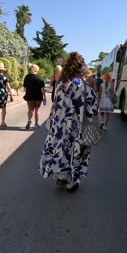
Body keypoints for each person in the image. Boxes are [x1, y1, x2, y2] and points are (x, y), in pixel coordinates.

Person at [39, 52, 98, 193]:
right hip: (75, 128)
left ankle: (61, 176)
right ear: (81, 67)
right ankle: (72, 181)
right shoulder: (83, 85)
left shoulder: (60, 84)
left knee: (59, 150)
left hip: (58, 126)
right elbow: (93, 108)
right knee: (76, 151)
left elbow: (55, 105)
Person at [0, 62, 14, 130]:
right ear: (3, 70)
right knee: (3, 108)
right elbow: (8, 87)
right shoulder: (5, 77)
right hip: (3, 94)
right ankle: (3, 122)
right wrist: (11, 95)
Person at [23, 64, 46, 129]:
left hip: (29, 95)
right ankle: (36, 123)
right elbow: (43, 89)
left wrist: (27, 93)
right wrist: (44, 97)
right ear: (37, 70)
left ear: (31, 69)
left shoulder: (27, 77)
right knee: (37, 110)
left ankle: (29, 120)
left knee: (30, 109)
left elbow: (25, 87)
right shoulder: (40, 78)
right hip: (38, 96)